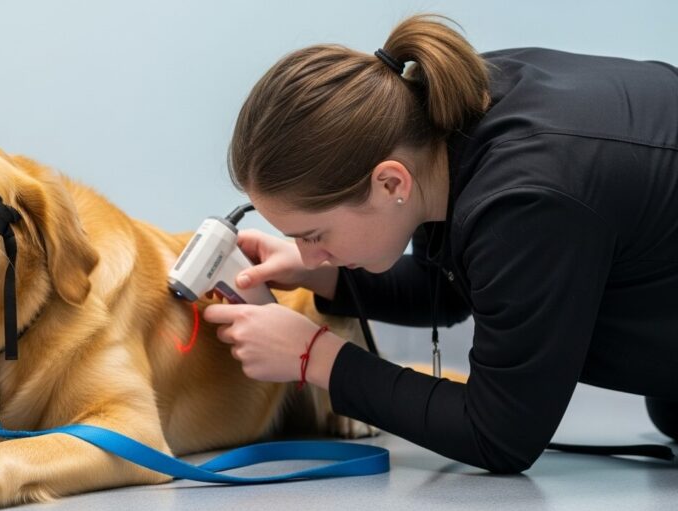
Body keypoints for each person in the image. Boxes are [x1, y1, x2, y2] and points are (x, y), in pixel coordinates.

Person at [201, 14, 678, 473]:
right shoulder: (441, 115)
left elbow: (499, 435)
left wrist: (316, 357)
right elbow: (456, 288)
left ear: (390, 183)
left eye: (314, 235)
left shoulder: (525, 200)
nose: (308, 252)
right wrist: (321, 274)